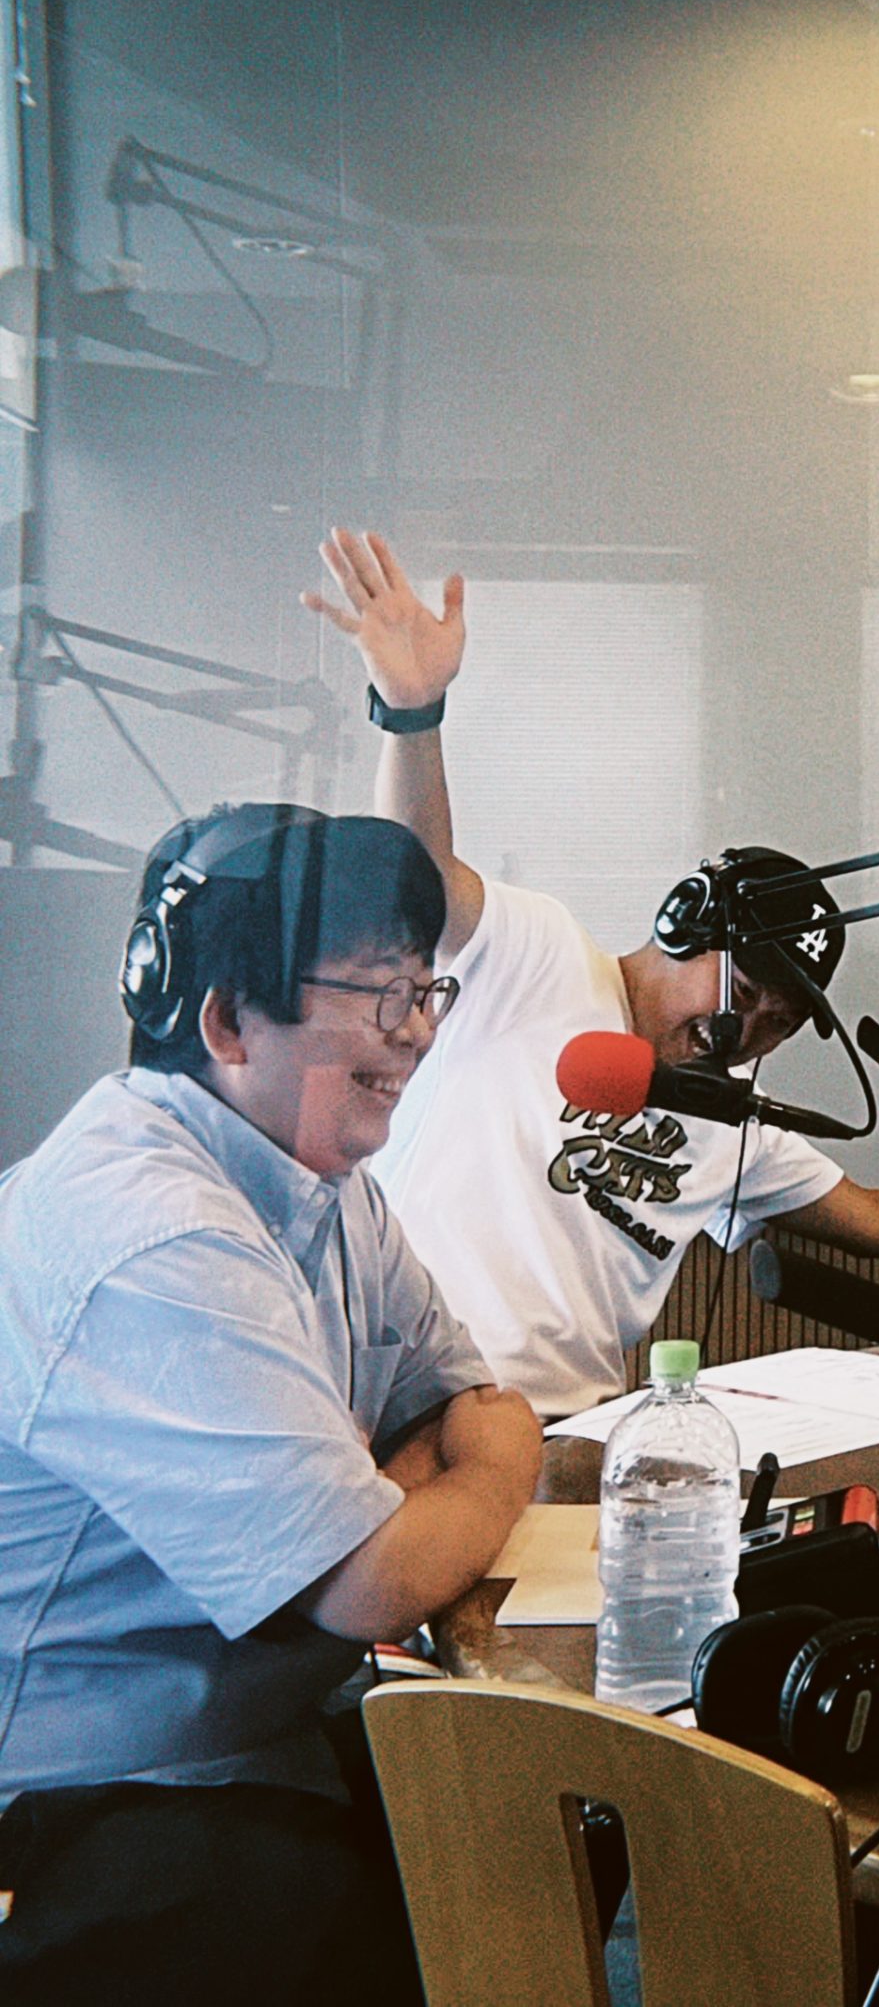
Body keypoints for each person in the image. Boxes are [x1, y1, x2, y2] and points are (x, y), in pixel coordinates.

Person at [304, 529, 879, 1418]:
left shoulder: (725, 1112)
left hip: (570, 1430)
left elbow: (872, 1217)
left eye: (781, 1022)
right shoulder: (535, 954)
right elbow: (415, 876)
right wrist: (413, 714)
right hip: (400, 1398)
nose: (745, 1035)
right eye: (742, 996)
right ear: (681, 925)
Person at [0, 803, 542, 2004]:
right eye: (377, 992)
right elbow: (374, 1581)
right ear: (227, 1019)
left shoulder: (322, 1176)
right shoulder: (150, 1228)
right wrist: (486, 1470)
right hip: (82, 1788)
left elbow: (459, 1394)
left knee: (534, 1826)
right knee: (414, 1915)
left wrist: (413, 1489)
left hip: (250, 1728)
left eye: (423, 989)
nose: (416, 1030)